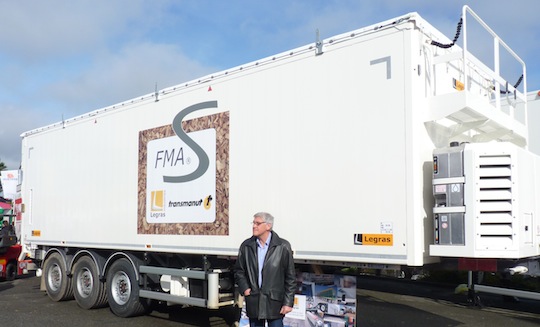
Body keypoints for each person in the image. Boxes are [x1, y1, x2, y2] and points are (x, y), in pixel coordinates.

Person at [235, 212, 296, 327]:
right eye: (253, 223)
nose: (254, 226)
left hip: (274, 303)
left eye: (258, 223)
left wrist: (288, 303)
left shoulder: (283, 246)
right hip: (254, 301)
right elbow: (239, 271)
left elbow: (290, 277)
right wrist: (246, 289)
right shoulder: (247, 246)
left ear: (268, 226)